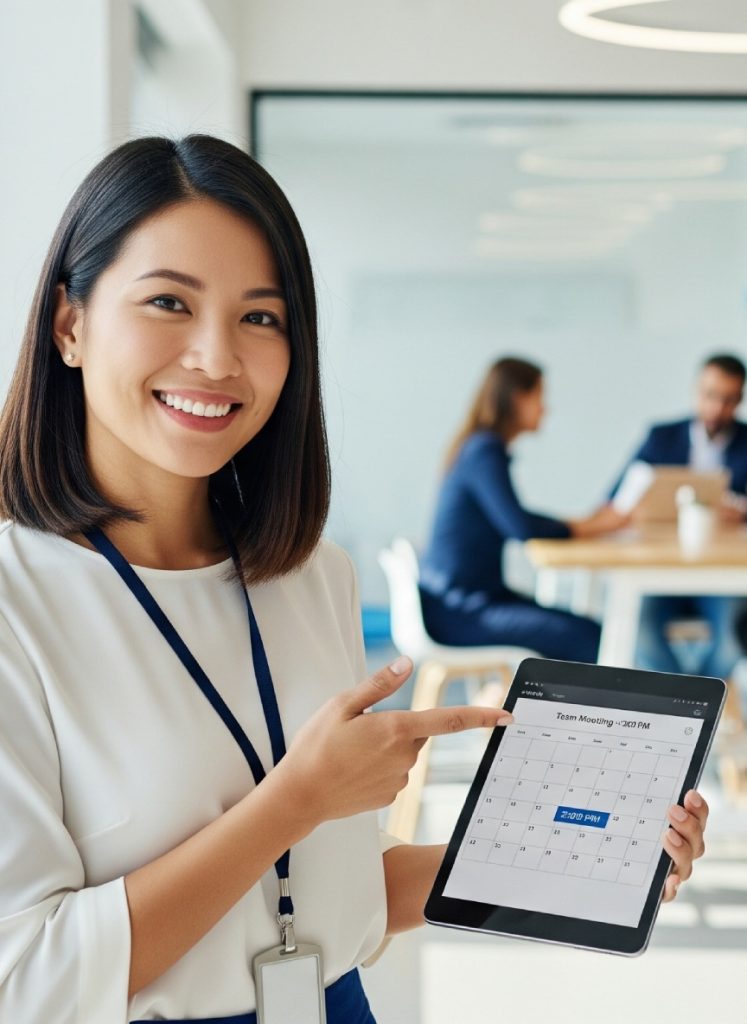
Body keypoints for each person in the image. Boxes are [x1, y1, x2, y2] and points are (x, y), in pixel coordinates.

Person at [0, 137, 706, 1024]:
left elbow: (330, 889)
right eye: (169, 302)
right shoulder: (18, 604)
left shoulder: (309, 577)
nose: (217, 357)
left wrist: (579, 865)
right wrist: (295, 800)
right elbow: (25, 978)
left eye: (261, 317)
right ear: (69, 325)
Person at [419, 357, 627, 664]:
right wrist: (590, 526)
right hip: (461, 612)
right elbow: (521, 527)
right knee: (594, 637)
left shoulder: (476, 447)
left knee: (590, 631)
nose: (545, 409)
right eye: (539, 397)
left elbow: (518, 519)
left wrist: (585, 524)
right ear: (518, 398)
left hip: (463, 602)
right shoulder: (484, 451)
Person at [610, 354, 747, 680]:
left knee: (734, 636)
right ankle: (683, 696)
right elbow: (617, 501)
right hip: (659, 568)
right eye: (711, 395)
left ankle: (697, 696)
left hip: (721, 573)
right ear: (696, 391)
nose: (718, 408)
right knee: (638, 629)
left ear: (739, 400)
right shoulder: (661, 437)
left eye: (729, 400)